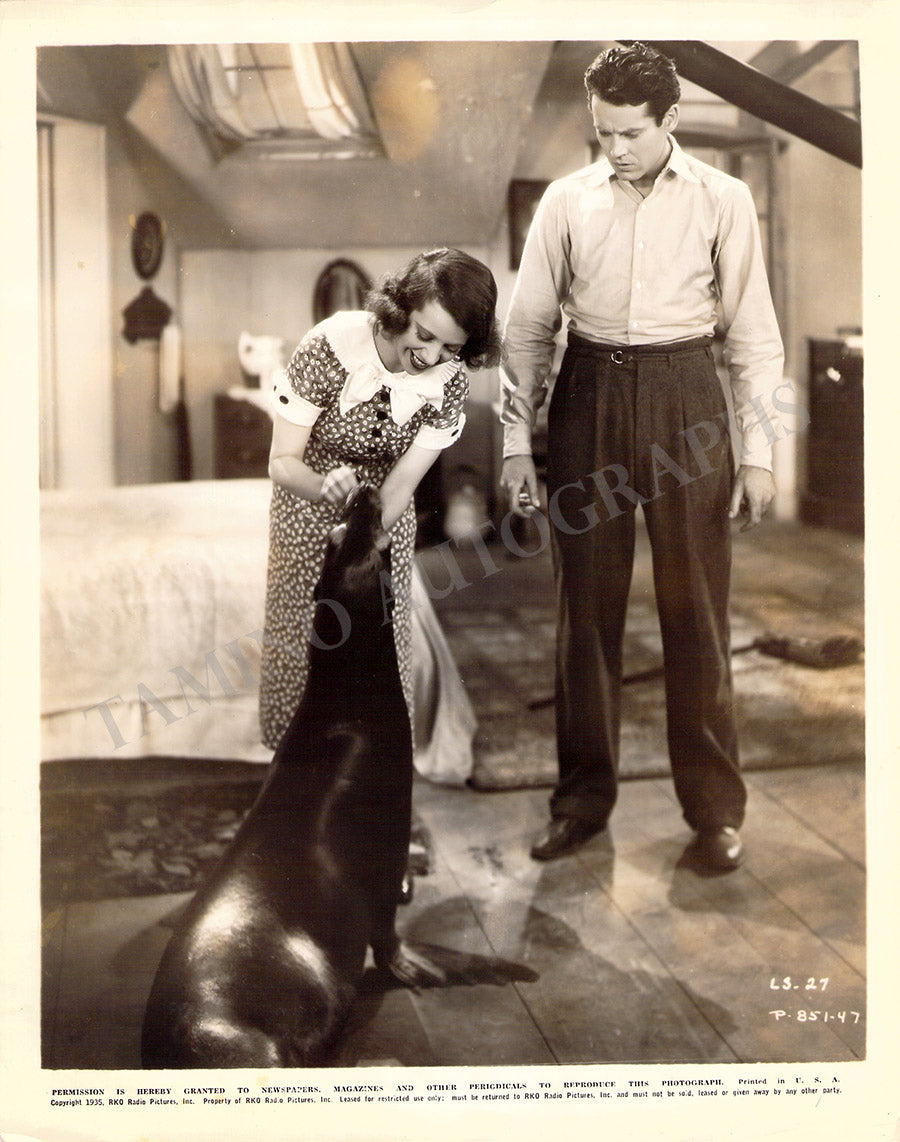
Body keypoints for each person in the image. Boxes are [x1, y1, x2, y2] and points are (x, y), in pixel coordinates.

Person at [499, 43, 785, 872]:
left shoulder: (723, 200)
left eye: (630, 133)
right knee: (585, 614)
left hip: (687, 394)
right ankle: (581, 803)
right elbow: (527, 333)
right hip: (588, 392)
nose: (615, 149)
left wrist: (759, 454)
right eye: (604, 133)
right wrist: (515, 446)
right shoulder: (565, 202)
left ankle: (715, 812)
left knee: (695, 610)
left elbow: (754, 337)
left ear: (670, 120)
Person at [259, 247, 502, 757]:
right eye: (424, 335)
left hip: (385, 520)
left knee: (381, 648)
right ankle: (294, 775)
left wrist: (364, 532)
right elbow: (281, 462)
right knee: (301, 643)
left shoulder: (448, 384)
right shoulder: (329, 348)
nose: (431, 357)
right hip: (306, 507)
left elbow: (402, 483)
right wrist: (323, 488)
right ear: (399, 311)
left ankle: (372, 775)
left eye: (451, 347)